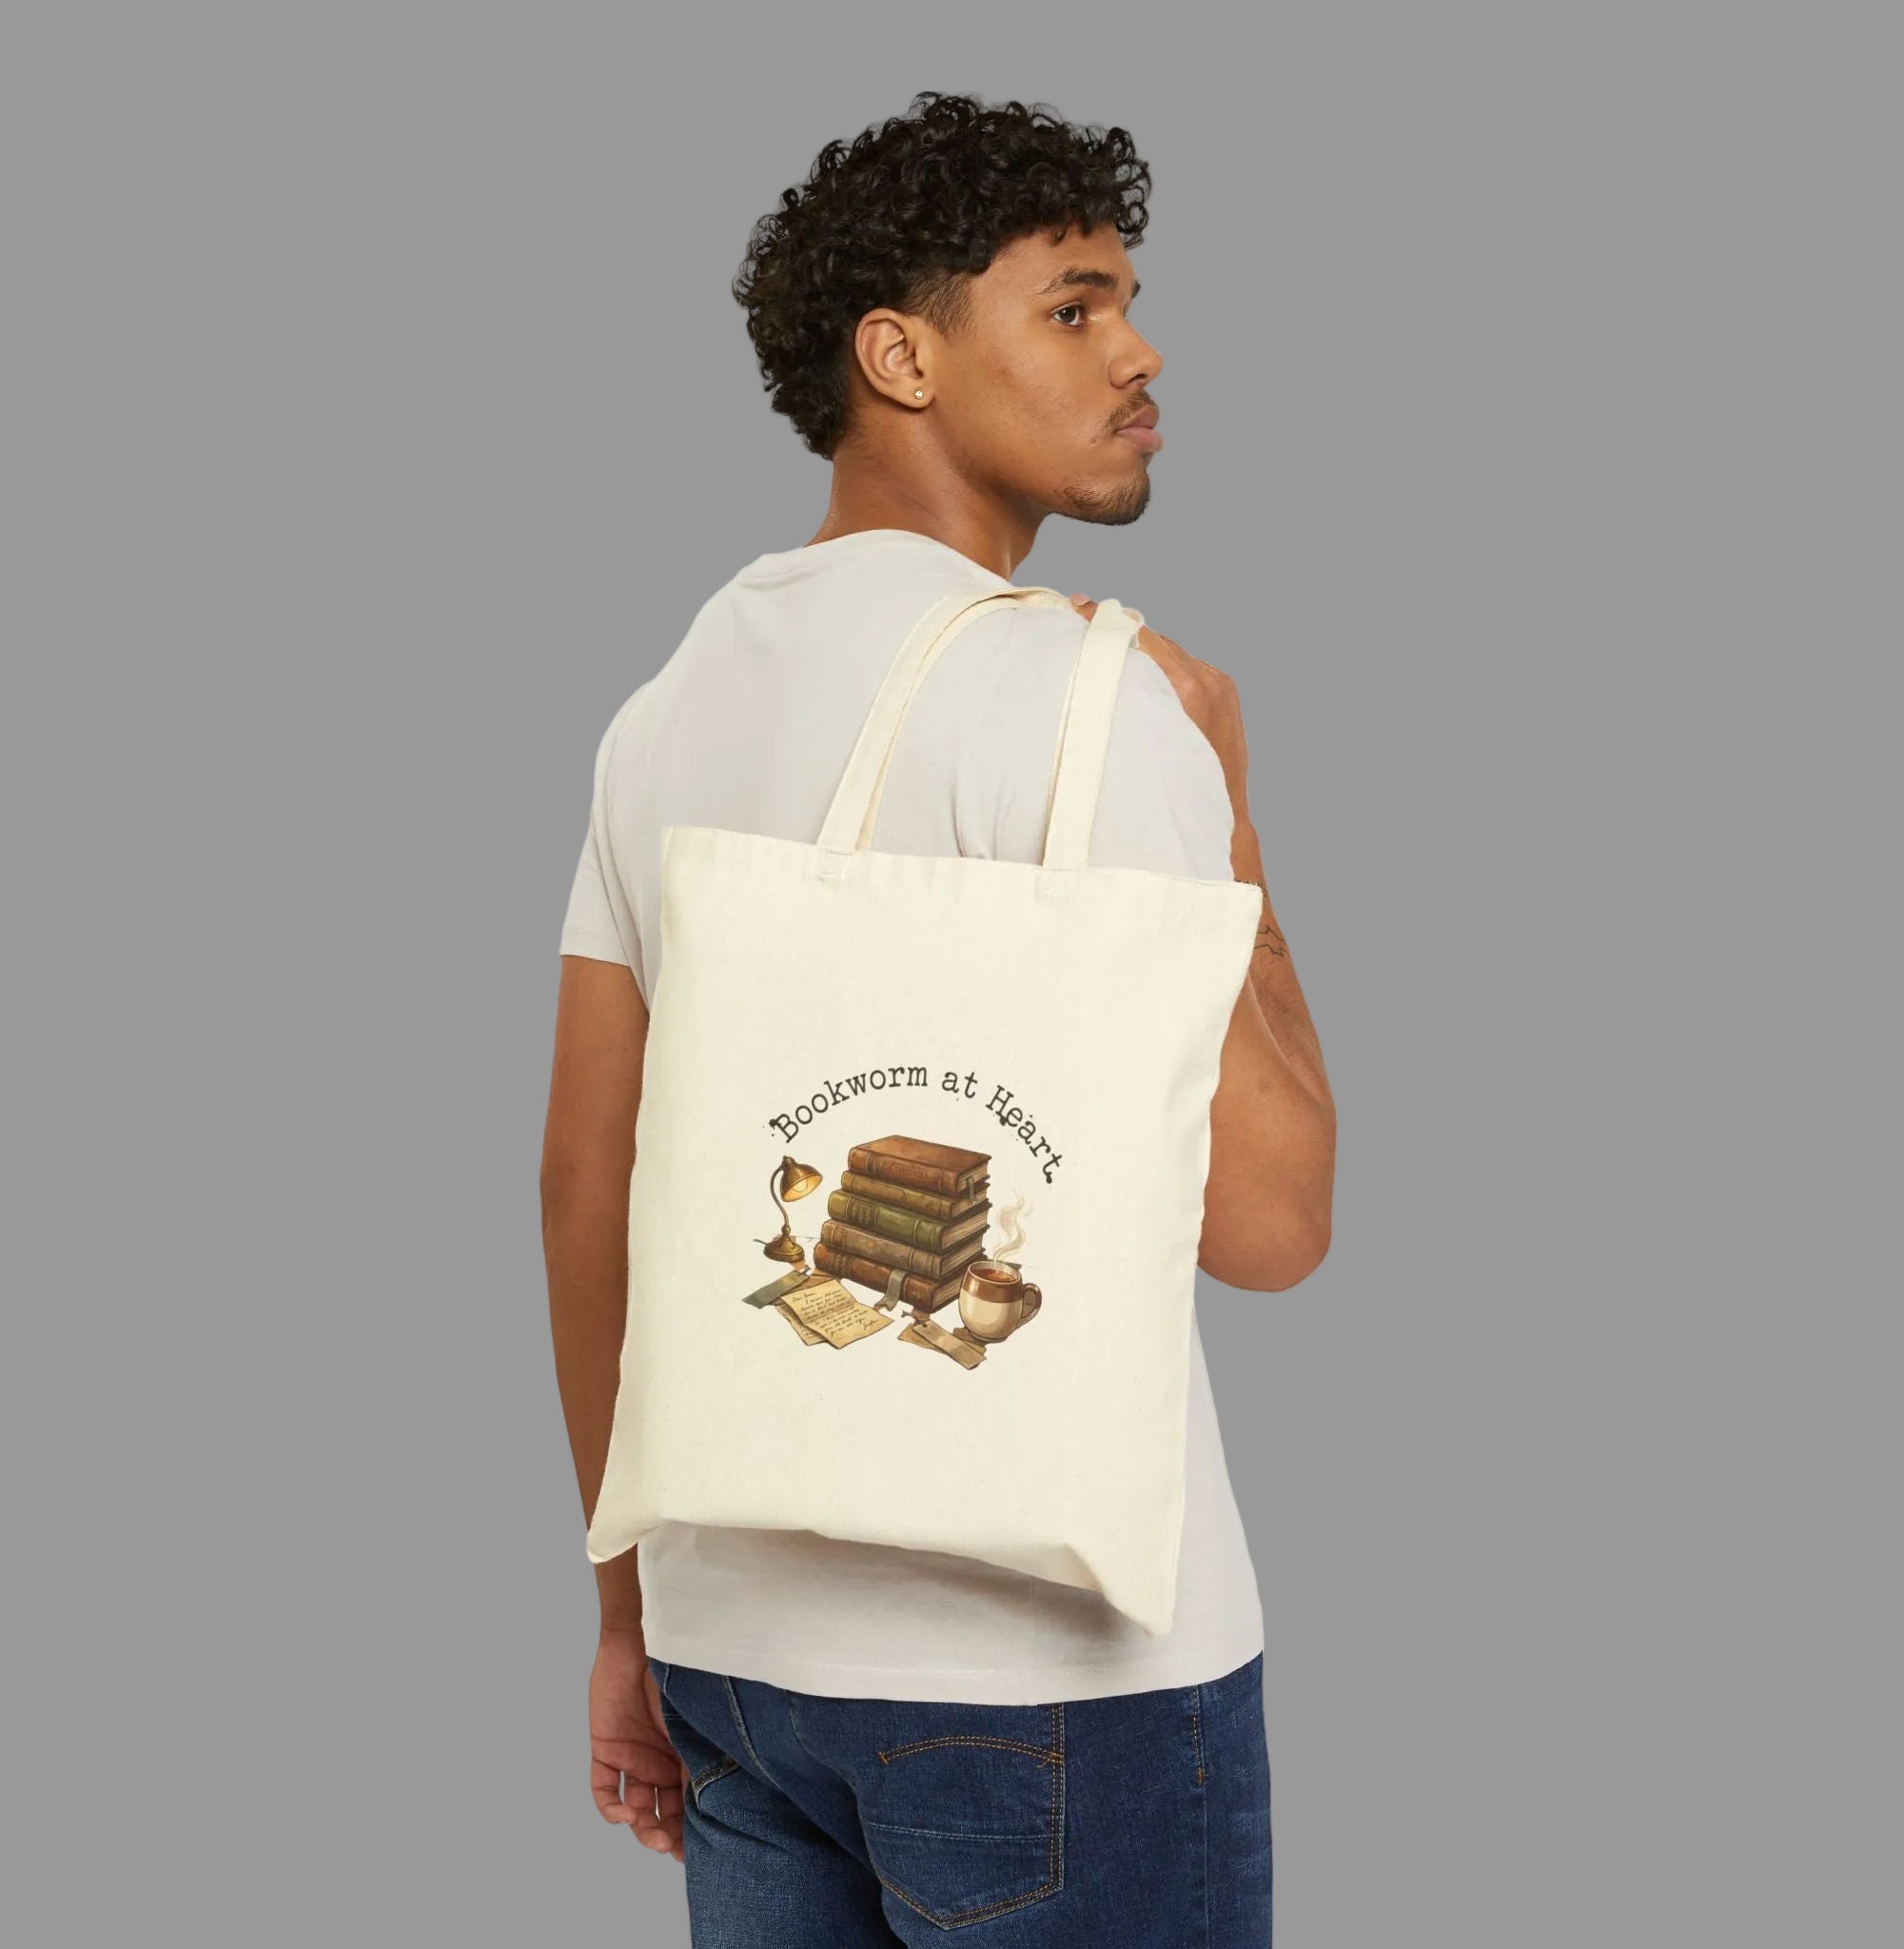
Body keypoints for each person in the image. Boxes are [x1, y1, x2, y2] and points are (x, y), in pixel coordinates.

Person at [540, 90, 1336, 1947]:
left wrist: (622, 1614)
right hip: (1056, 1677)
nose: (1137, 352)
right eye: (1071, 306)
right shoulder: (1088, 699)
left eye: (1129, 299)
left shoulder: (658, 712)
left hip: (732, 1658)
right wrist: (1227, 815)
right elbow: (1276, 1227)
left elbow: (590, 1181)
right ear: (896, 353)